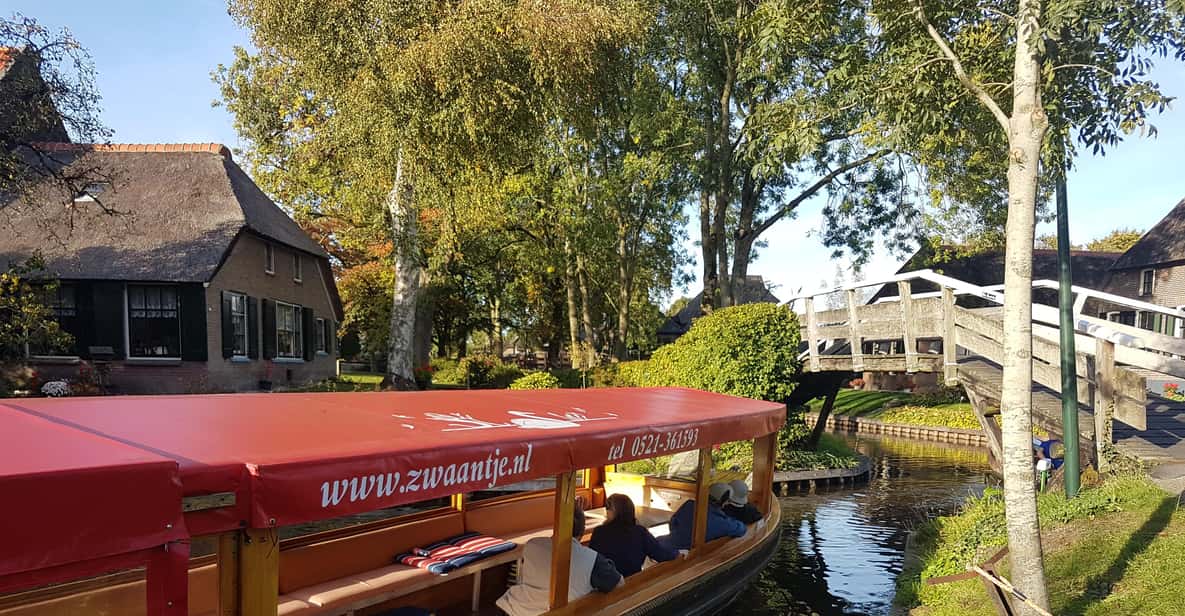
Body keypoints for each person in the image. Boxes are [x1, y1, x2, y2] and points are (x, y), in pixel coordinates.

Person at [497, 504, 622, 616]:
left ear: (555, 525)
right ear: (582, 531)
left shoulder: (532, 545)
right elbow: (618, 584)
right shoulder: (592, 559)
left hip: (516, 609)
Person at [590, 493, 679, 577]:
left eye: (607, 508)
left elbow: (591, 562)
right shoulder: (640, 532)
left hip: (606, 585)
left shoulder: (599, 532)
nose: (606, 511)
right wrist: (679, 553)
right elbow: (661, 555)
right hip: (632, 582)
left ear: (613, 511)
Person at [666, 483, 747, 550]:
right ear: (724, 501)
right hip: (686, 553)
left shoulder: (689, 504)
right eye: (728, 501)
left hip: (670, 542)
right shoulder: (721, 522)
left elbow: (673, 521)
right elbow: (741, 529)